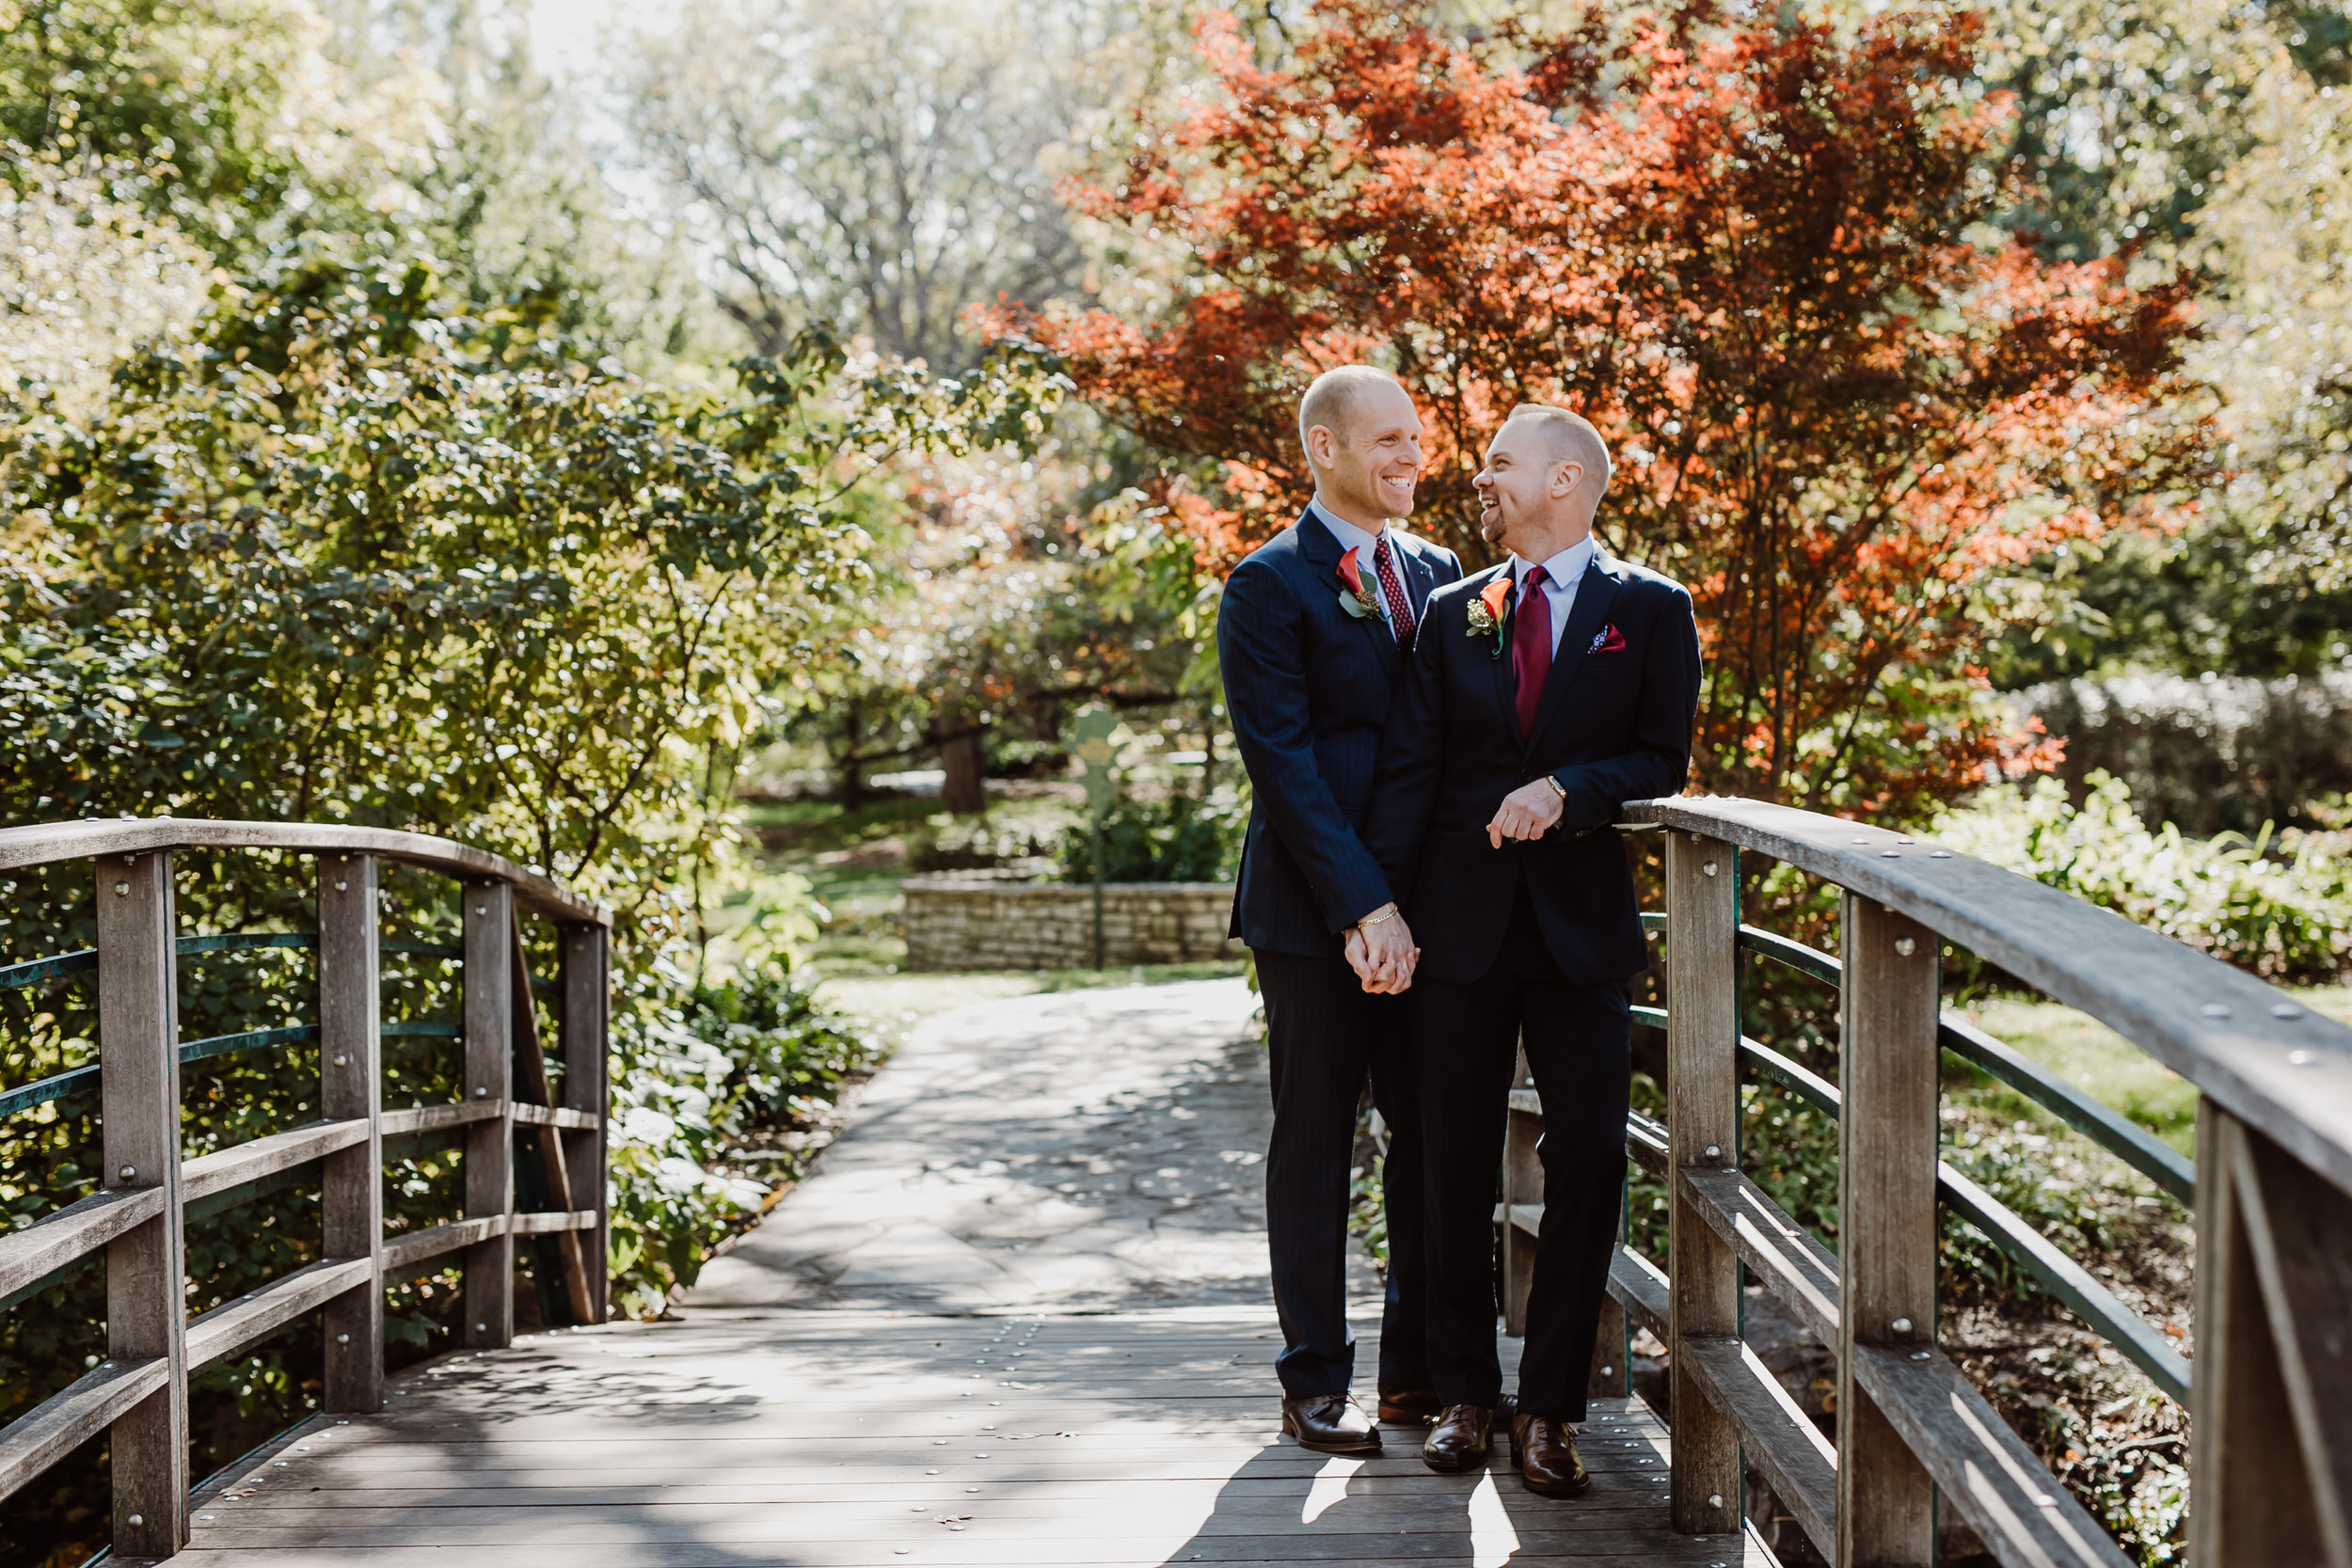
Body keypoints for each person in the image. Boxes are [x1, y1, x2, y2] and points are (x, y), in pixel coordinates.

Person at [1362, 404, 1702, 1494]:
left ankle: (1548, 1406)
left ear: (1566, 479)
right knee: (1449, 1164)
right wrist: (1384, 910)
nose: (1482, 477)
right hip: (1453, 930)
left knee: (1593, 1153)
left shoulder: (1651, 608)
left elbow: (1663, 755)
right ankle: (1466, 1392)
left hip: (1579, 935)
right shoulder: (1453, 609)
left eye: (1501, 462)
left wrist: (1569, 790)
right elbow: (1412, 769)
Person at [1217, 365, 1461, 1452]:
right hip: (1313, 917)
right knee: (1317, 1140)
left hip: (1431, 908)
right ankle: (1315, 1375)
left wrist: (1416, 902)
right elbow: (1284, 765)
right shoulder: (1267, 584)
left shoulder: (1446, 571)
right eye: (1389, 439)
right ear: (1324, 448)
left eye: (1417, 438)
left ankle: (1412, 1372)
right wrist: (1365, 906)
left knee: (1429, 1140)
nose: (1412, 455)